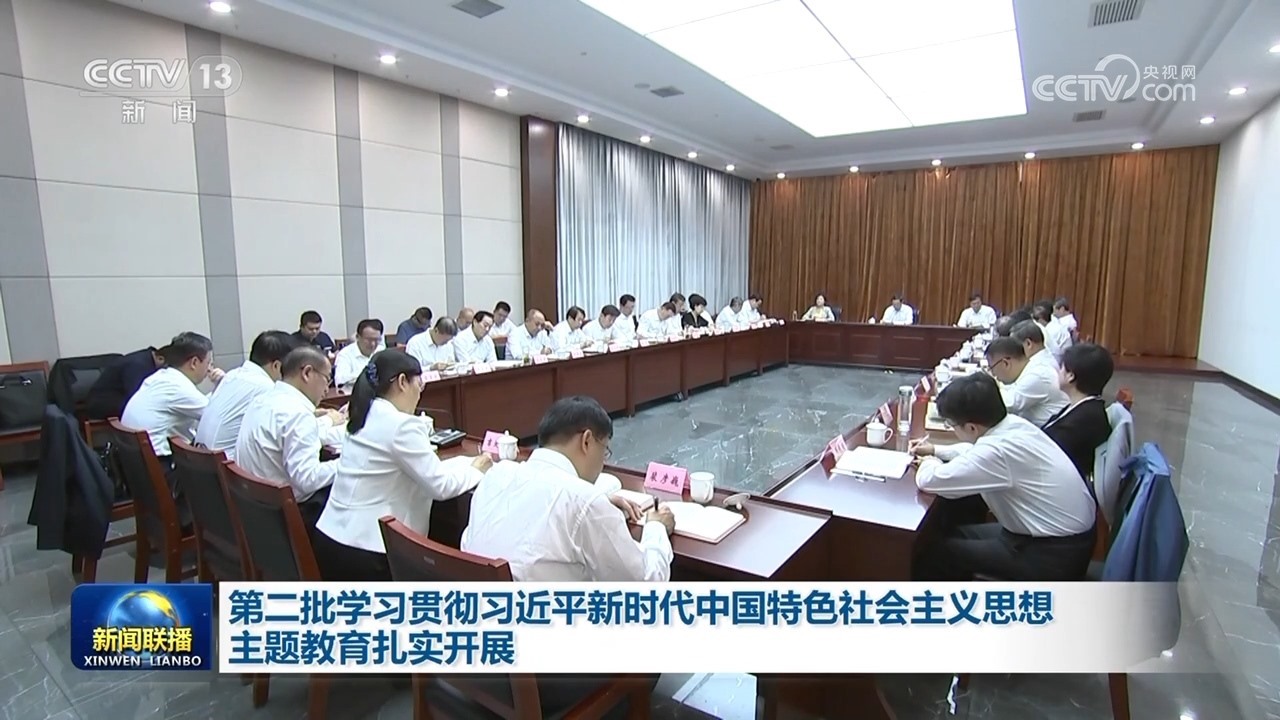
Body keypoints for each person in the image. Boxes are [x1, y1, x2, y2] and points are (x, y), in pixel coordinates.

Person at [314, 351, 492, 580]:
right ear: (402, 382)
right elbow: (441, 487)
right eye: (419, 384)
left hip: (331, 539)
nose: (420, 392)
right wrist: (476, 469)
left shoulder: (363, 413)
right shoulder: (402, 425)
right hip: (370, 552)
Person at [463, 395, 675, 580]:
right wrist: (656, 527)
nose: (603, 462)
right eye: (604, 451)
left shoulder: (497, 475)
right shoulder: (585, 501)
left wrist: (599, 504)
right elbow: (647, 583)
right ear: (587, 441)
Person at [910, 373, 1096, 581]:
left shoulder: (997, 451)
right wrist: (936, 450)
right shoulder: (1013, 424)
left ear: (971, 427)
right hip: (1058, 537)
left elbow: (930, 480)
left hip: (1051, 555)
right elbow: (978, 452)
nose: (951, 428)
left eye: (951, 424)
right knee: (954, 534)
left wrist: (927, 462)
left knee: (935, 553)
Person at [235, 346, 339, 526]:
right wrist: (349, 461)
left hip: (253, 508)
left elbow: (291, 438)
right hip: (284, 516)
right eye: (327, 379)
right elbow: (307, 479)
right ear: (307, 373)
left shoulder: (263, 400)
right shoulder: (297, 414)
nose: (326, 388)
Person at [195, 330, 310, 456]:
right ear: (277, 366)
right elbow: (290, 427)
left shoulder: (233, 374)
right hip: (226, 463)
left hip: (203, 457)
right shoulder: (266, 388)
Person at [121, 332, 223, 461]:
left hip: (136, 462)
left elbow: (205, 406)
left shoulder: (160, 377)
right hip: (161, 463)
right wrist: (224, 384)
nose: (209, 369)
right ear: (194, 362)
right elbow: (219, 415)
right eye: (208, 363)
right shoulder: (178, 388)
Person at [1042, 343, 1114, 479]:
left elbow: (1048, 454)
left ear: (1071, 376)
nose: (1058, 372)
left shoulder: (1086, 419)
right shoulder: (1082, 407)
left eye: (1062, 368)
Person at [984, 331, 1068, 427]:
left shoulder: (1037, 375)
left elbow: (1008, 404)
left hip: (1051, 430)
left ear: (1006, 363)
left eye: (991, 368)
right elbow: (1011, 389)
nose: (993, 374)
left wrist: (986, 386)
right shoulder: (1029, 368)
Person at [84, 345, 165, 420]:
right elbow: (136, 395)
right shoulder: (138, 364)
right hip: (104, 404)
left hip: (119, 398)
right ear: (161, 359)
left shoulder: (147, 358)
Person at [333, 319, 384, 390]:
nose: (373, 344)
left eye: (376, 340)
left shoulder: (381, 351)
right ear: (357, 337)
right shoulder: (345, 354)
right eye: (369, 340)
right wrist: (366, 375)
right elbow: (340, 381)